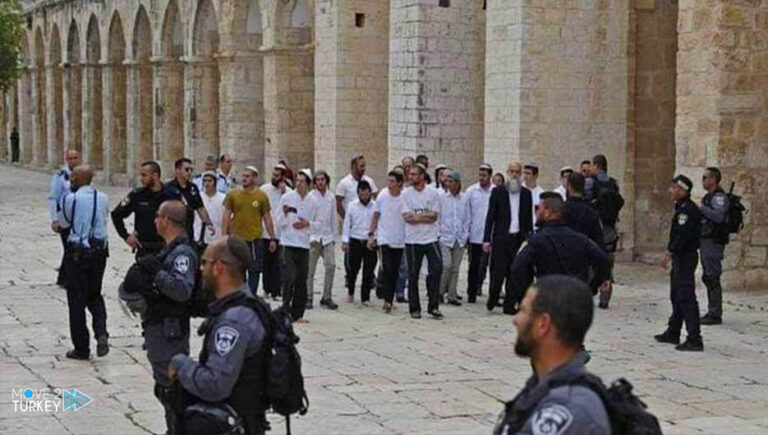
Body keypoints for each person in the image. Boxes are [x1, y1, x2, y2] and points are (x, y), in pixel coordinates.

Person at [168, 236, 270, 435]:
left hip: (231, 423)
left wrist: (181, 364)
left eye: (204, 262)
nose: (200, 269)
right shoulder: (249, 304)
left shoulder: (234, 321)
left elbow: (216, 384)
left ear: (218, 267)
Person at [493, 276, 610, 435]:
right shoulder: (544, 384)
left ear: (543, 325)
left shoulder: (566, 409)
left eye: (523, 311)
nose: (516, 320)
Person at [136, 200, 200, 432]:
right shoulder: (169, 248)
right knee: (164, 389)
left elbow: (182, 291)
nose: (154, 221)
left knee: (171, 390)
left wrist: (157, 272)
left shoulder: (182, 253)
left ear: (167, 220)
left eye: (157, 216)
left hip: (170, 331)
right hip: (159, 328)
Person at [510, 193, 610, 305]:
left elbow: (517, 268)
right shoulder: (580, 239)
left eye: (538, 208)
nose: (536, 212)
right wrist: (591, 287)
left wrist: (526, 295)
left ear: (548, 211)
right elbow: (603, 261)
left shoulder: (536, 240)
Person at [57, 164, 109, 360]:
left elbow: (63, 223)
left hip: (78, 254)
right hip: (100, 253)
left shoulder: (72, 198)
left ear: (78, 179)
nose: (71, 180)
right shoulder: (102, 198)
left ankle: (81, 347)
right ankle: (101, 332)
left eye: (73, 177)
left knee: (76, 301)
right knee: (95, 295)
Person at [655, 175, 704, 351]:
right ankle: (673, 331)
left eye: (673, 187)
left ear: (682, 190)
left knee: (686, 297)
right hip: (681, 258)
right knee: (677, 294)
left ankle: (694, 338)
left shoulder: (687, 211)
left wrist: (669, 252)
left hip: (685, 257)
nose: (670, 190)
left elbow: (682, 236)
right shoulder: (682, 207)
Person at [483, 162, 534, 314]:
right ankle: (493, 296)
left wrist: (529, 238)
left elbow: (528, 219)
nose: (514, 174)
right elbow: (490, 216)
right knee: (498, 272)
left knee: (515, 272)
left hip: (518, 239)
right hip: (501, 239)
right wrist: (487, 239)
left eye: (517, 172)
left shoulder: (526, 194)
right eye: (511, 171)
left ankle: (509, 304)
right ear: (507, 172)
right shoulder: (498, 192)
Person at [222, 166, 277, 297]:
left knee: (254, 269)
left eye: (248, 176)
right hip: (237, 238)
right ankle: (239, 294)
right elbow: (226, 215)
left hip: (254, 238)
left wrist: (272, 237)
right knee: (238, 268)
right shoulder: (233, 194)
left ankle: (251, 296)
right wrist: (224, 235)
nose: (244, 178)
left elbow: (267, 217)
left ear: (255, 178)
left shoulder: (261, 196)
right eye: (244, 176)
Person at [402, 164, 443, 319]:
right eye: (409, 174)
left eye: (413, 174)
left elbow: (434, 216)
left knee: (437, 268)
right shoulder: (406, 194)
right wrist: (424, 216)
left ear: (421, 176)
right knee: (413, 274)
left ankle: (433, 306)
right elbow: (407, 217)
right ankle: (415, 308)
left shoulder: (432, 193)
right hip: (413, 240)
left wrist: (417, 216)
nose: (410, 177)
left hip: (431, 238)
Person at [278, 169, 317, 322]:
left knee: (302, 278)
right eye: (297, 180)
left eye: (302, 181)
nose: (298, 184)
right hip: (288, 242)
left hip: (304, 244)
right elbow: (279, 220)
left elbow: (320, 224)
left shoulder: (312, 202)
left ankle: (297, 313)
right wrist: (285, 214)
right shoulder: (287, 197)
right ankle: (285, 309)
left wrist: (307, 224)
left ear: (307, 184)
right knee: (290, 276)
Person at [585, 154, 623, 308]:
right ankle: (605, 299)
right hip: (610, 228)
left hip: (595, 228)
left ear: (596, 165)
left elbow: (586, 203)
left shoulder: (590, 182)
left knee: (590, 262)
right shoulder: (614, 183)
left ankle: (589, 294)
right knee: (608, 264)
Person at [112, 161, 169, 258]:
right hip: (145, 249)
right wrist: (126, 236)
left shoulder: (170, 195)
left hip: (167, 248)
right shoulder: (137, 195)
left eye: (144, 175)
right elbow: (116, 214)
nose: (141, 179)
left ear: (155, 176)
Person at [369, 170, 407, 313]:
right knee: (387, 267)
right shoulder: (383, 195)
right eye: (388, 181)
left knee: (396, 270)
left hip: (400, 239)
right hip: (384, 237)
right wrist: (371, 234)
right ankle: (387, 300)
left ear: (399, 183)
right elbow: (376, 215)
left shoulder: (405, 197)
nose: (389, 184)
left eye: (392, 181)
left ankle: (388, 295)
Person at [699, 167, 729, 325]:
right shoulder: (709, 196)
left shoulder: (718, 197)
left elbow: (718, 216)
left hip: (714, 241)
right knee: (708, 276)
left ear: (712, 179)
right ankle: (712, 310)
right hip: (706, 241)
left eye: (704, 177)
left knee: (712, 276)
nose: (703, 181)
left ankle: (715, 313)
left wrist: (701, 209)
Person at [342, 180, 377, 305]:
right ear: (358, 193)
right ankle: (350, 292)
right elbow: (347, 224)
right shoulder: (352, 205)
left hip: (370, 241)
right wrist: (345, 241)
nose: (364, 197)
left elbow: (378, 224)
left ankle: (365, 297)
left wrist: (375, 238)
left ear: (370, 193)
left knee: (369, 270)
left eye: (366, 194)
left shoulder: (375, 206)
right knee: (353, 270)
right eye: (361, 195)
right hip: (355, 240)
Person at [307, 170, 338, 310]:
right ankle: (308, 296)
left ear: (327, 181)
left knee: (330, 265)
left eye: (323, 179)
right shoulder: (310, 197)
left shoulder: (331, 197)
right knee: (310, 269)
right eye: (318, 179)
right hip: (314, 237)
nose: (320, 182)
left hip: (327, 237)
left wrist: (334, 236)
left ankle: (327, 296)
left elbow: (333, 218)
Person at [49, 148, 80, 286]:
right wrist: (55, 219)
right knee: (68, 248)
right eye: (70, 158)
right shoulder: (61, 176)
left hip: (78, 217)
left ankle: (63, 277)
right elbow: (53, 198)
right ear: (66, 159)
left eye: (75, 158)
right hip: (64, 216)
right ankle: (66, 279)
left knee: (73, 248)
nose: (73, 161)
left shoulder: (82, 173)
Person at [261, 163, 292, 299]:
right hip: (265, 231)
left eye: (277, 176)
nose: (274, 178)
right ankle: (266, 289)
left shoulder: (289, 192)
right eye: (273, 175)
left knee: (279, 264)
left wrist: (284, 192)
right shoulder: (264, 189)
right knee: (266, 262)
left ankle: (277, 291)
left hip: (282, 233)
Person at [165, 157, 215, 241]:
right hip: (172, 231)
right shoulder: (168, 188)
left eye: (191, 170)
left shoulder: (193, 188)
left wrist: (208, 223)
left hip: (188, 231)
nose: (189, 172)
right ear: (177, 170)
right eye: (186, 170)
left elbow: (200, 208)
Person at [438, 170, 469, 306]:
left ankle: (452, 295)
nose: (449, 184)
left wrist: (465, 234)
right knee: (446, 265)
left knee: (455, 268)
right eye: (447, 181)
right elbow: (439, 217)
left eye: (451, 181)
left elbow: (467, 218)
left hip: (459, 237)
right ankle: (439, 292)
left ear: (457, 183)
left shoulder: (464, 198)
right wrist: (439, 233)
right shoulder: (442, 198)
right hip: (445, 236)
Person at [465, 163, 493, 303]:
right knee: (474, 265)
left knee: (489, 265)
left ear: (490, 176)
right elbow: (467, 213)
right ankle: (472, 292)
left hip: (491, 235)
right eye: (480, 175)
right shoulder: (471, 191)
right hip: (475, 234)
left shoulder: (496, 191)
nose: (481, 178)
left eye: (484, 175)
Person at [564, 172, 603, 249]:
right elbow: (598, 241)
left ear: (569, 186)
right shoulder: (591, 211)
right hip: (586, 254)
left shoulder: (561, 210)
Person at [335, 155, 378, 220]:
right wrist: (347, 218)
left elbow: (377, 198)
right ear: (354, 167)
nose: (364, 168)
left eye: (364, 166)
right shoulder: (344, 183)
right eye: (361, 166)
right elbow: (338, 204)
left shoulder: (369, 181)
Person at [193, 172, 226, 252]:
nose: (206, 183)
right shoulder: (198, 196)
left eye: (209, 181)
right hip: (200, 237)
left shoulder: (223, 198)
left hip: (217, 237)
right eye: (204, 181)